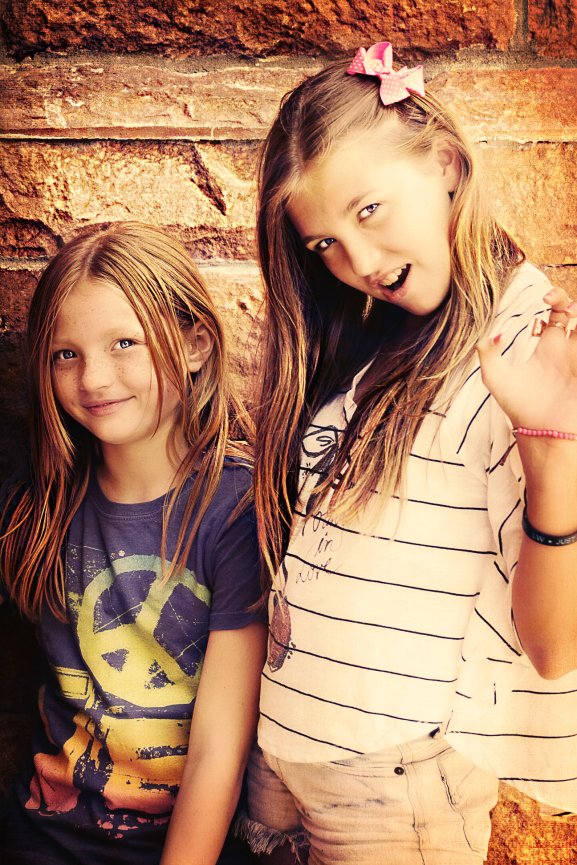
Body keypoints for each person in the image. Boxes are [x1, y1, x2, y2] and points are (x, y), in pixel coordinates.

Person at [238, 41, 577, 865]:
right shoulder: (376, 339)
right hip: (288, 754)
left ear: (446, 165)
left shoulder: (531, 349)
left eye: (368, 211)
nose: (357, 265)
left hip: (393, 788)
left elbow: (556, 646)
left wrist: (551, 448)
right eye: (322, 244)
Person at [0, 222, 266, 865]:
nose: (94, 378)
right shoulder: (36, 503)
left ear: (195, 343)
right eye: (66, 354)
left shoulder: (235, 513)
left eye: (125, 343)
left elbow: (217, 753)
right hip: (40, 839)